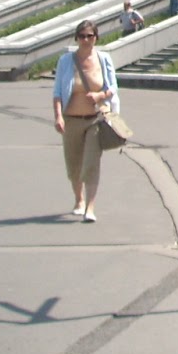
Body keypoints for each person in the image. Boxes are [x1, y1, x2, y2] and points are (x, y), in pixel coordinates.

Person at [51, 19, 118, 222]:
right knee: (74, 165)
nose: (86, 39)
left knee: (91, 163)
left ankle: (90, 207)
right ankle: (78, 199)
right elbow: (57, 93)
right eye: (82, 36)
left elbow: (113, 87)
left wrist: (100, 96)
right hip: (72, 119)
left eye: (90, 35)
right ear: (76, 38)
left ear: (96, 37)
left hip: (95, 119)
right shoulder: (66, 61)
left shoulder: (104, 59)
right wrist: (58, 116)